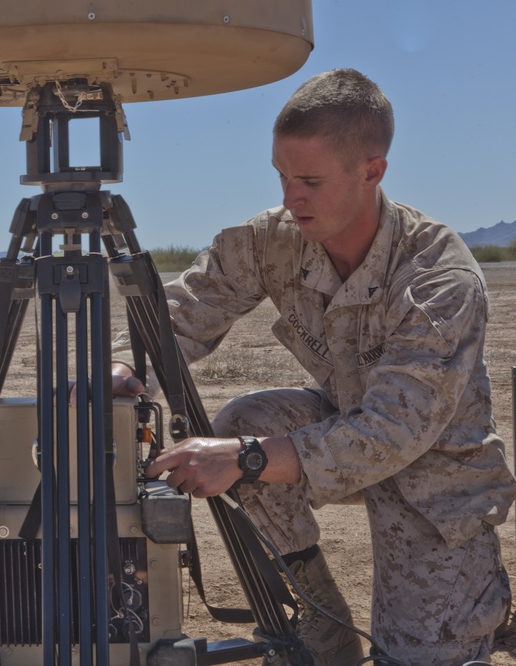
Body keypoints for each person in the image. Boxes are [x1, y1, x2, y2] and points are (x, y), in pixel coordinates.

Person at [109, 69, 516, 664]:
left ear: (371, 171)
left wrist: (244, 458)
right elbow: (185, 308)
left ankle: (479, 610)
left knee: (422, 657)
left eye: (310, 180)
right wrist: (122, 362)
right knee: (245, 418)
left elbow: (393, 432)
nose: (290, 196)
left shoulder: (437, 279)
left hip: (436, 477)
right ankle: (322, 626)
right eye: (281, 175)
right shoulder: (276, 239)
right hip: (346, 420)